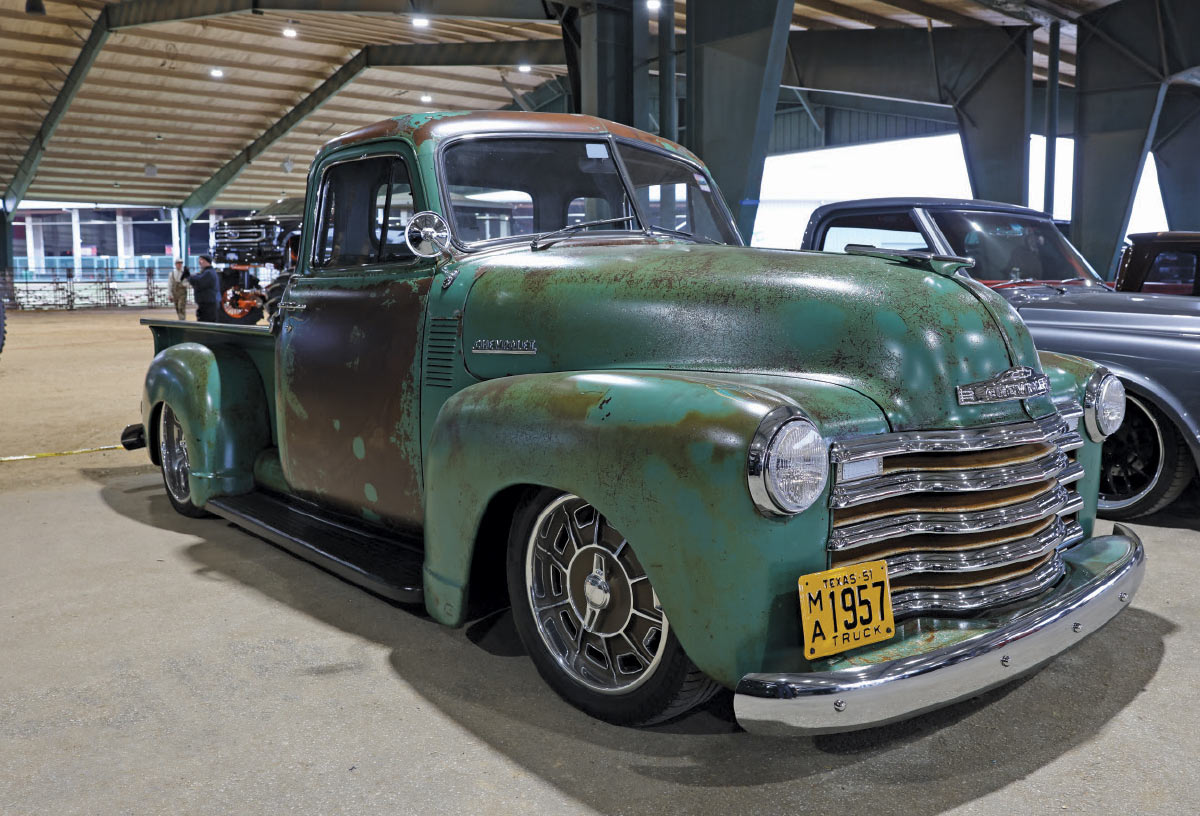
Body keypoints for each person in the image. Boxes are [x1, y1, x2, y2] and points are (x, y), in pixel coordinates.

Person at [182, 255, 220, 322]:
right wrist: (189, 276)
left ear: (207, 261)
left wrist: (188, 277)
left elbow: (198, 281)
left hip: (208, 305)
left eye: (201, 260)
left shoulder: (209, 273)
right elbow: (197, 278)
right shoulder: (207, 272)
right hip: (207, 304)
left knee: (206, 323)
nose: (199, 262)